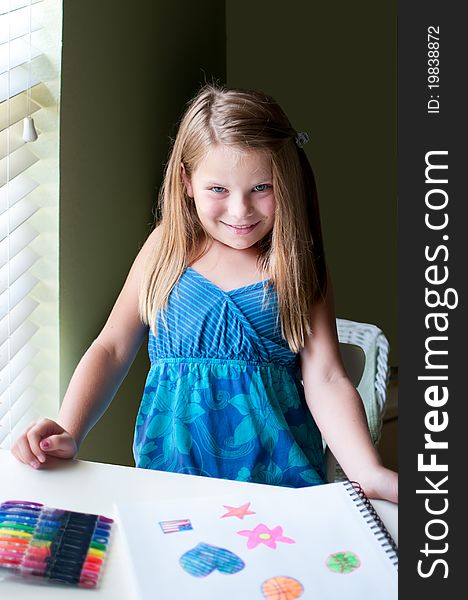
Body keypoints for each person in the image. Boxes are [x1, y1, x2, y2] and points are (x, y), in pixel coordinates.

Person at [11, 83, 398, 503]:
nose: (240, 211)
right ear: (187, 181)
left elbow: (326, 376)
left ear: (286, 181)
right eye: (219, 189)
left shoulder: (298, 262)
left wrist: (367, 471)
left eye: (261, 188)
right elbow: (112, 348)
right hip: (171, 486)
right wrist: (69, 429)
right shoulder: (166, 248)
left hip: (282, 489)